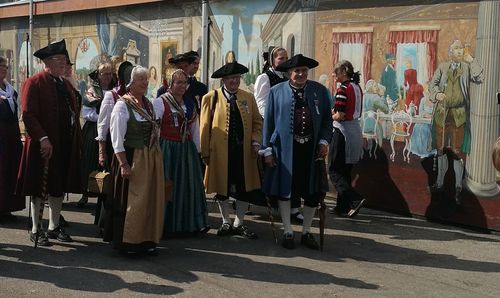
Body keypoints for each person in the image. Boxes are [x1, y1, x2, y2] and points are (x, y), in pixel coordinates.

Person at [262, 54, 332, 250]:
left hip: (311, 151)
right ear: (288, 73)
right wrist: (267, 150)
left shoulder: (319, 91)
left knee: (311, 193)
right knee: (286, 190)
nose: (301, 74)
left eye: (303, 71)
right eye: (296, 71)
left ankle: (307, 232)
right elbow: (268, 123)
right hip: (284, 151)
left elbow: (327, 120)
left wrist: (325, 140)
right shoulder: (276, 92)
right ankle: (287, 231)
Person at [17, 39, 82, 246]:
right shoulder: (34, 82)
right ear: (48, 61)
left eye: (65, 59)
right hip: (41, 145)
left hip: (63, 144)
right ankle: (36, 229)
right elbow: (28, 115)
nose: (64, 63)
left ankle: (54, 225)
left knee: (58, 186)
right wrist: (43, 138)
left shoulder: (65, 85)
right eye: (60, 59)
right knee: (39, 188)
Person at [107, 65, 167, 255]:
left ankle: (146, 240)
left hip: (149, 158)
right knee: (132, 202)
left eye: (146, 79)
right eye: (141, 79)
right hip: (132, 157)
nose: (145, 82)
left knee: (149, 199)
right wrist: (123, 163)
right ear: (130, 83)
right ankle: (128, 242)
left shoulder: (148, 104)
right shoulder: (122, 105)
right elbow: (116, 137)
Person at [200, 61, 262, 239]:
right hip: (219, 153)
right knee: (222, 187)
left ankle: (239, 222)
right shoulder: (210, 98)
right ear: (223, 80)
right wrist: (205, 152)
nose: (234, 81)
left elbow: (258, 122)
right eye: (230, 78)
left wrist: (256, 141)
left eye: (236, 77)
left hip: (243, 152)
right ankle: (226, 221)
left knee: (244, 187)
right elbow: (204, 126)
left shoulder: (248, 97)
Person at [154, 69, 208, 236]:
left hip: (186, 150)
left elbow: (194, 128)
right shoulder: (160, 102)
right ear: (170, 85)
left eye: (184, 83)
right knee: (168, 186)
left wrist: (198, 151)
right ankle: (166, 225)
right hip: (167, 149)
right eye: (178, 82)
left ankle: (188, 224)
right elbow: (155, 128)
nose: (182, 86)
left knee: (189, 186)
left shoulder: (190, 103)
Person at [429, 39, 483, 204]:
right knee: (440, 150)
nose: (459, 51)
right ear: (450, 52)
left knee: (457, 151)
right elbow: (433, 85)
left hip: (459, 116)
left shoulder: (467, 68)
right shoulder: (443, 67)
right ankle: (439, 183)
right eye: (456, 49)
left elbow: (480, 76)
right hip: (441, 114)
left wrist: (472, 60)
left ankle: (458, 187)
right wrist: (437, 94)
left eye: (461, 49)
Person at [254, 47, 303, 223]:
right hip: (273, 128)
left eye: (286, 58)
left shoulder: (288, 77)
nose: (284, 61)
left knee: (293, 168)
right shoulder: (265, 77)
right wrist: (273, 119)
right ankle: (277, 204)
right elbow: (261, 102)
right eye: (281, 58)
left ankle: (294, 208)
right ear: (273, 60)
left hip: (292, 131)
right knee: (275, 168)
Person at [328, 60, 365, 218]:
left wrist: (329, 115)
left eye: (336, 72)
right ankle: (342, 207)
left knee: (334, 170)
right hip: (355, 130)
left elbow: (340, 116)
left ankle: (354, 199)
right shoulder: (357, 87)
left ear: (343, 71)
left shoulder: (342, 89)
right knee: (345, 170)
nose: (333, 74)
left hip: (343, 132)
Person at [78, 63, 114, 225]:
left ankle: (104, 193)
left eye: (109, 73)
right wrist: (104, 118)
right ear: (98, 75)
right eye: (104, 73)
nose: (107, 76)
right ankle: (86, 193)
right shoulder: (91, 92)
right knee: (91, 160)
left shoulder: (116, 91)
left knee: (107, 164)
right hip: (93, 130)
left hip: (111, 131)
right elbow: (87, 113)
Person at [0, 56, 24, 222]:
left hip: (11, 137)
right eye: (1, 67)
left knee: (10, 171)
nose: (4, 70)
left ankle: (7, 207)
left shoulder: (11, 90)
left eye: (6, 67)